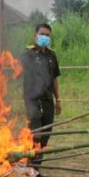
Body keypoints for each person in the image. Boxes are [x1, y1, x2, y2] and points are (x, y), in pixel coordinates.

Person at [20, 23, 62, 167]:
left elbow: (55, 78)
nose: (44, 37)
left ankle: (36, 168)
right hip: (32, 100)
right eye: (42, 34)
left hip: (47, 100)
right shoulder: (28, 55)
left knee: (46, 133)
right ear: (35, 35)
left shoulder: (51, 55)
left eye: (47, 35)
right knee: (35, 134)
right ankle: (31, 166)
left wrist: (58, 100)